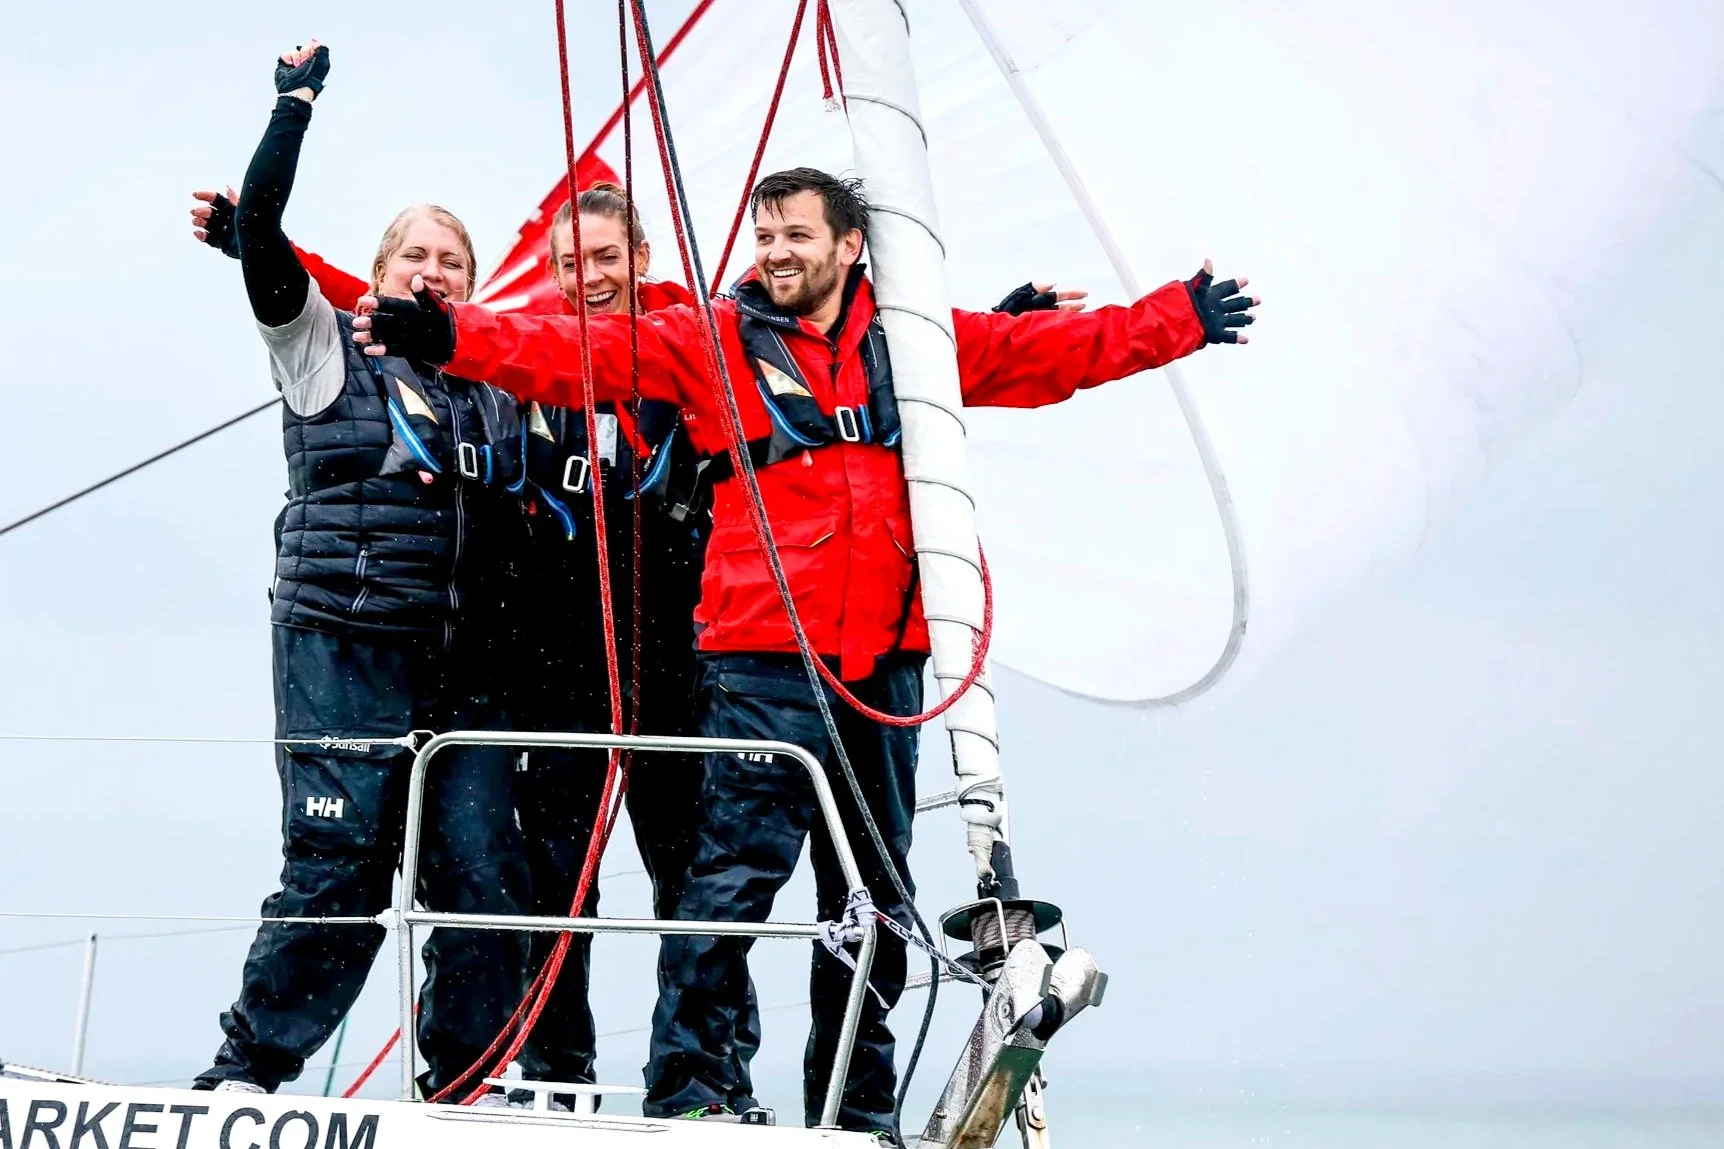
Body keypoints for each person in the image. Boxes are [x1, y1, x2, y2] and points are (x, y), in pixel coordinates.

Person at [353, 165, 1256, 1136]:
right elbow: (563, 354)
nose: (775, 252)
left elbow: (1052, 354)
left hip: (881, 672)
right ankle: (693, 1095)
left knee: (876, 908)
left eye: (795, 236)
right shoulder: (707, 340)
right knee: (726, 890)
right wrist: (444, 336)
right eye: (765, 235)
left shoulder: (910, 341)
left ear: (848, 245)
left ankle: (857, 1111)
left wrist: (1182, 317)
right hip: (758, 662)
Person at [191, 41, 530, 1102]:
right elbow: (257, 230)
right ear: (379, 274)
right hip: (340, 642)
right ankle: (248, 1070)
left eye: (452, 264)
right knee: (337, 872)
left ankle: (465, 1087)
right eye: (414, 258)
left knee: (485, 881)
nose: (432, 274)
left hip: (459, 663)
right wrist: (293, 104)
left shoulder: (496, 388)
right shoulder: (320, 347)